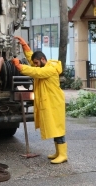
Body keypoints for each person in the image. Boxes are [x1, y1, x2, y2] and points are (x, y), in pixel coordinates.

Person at [12, 36, 68, 164]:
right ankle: (58, 152)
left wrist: (20, 67)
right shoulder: (43, 65)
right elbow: (33, 64)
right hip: (50, 102)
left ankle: (63, 154)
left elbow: (35, 72)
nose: (35, 65)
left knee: (58, 128)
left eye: (37, 63)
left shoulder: (50, 69)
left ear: (43, 59)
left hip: (54, 103)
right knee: (54, 128)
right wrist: (25, 46)